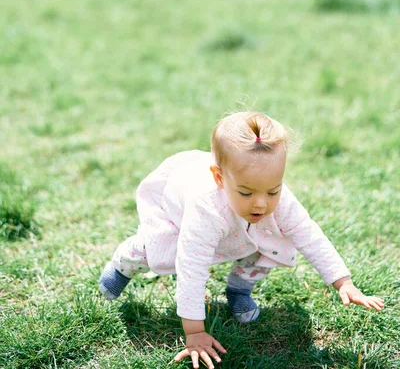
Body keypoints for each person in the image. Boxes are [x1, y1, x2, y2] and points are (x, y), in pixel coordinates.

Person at [99, 111, 384, 369]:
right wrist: (195, 331)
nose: (261, 203)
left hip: (235, 227)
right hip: (179, 218)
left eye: (272, 191)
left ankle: (239, 289)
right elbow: (192, 267)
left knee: (275, 242)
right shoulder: (205, 206)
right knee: (157, 251)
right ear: (220, 178)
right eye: (247, 192)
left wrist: (342, 281)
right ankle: (125, 261)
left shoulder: (277, 200)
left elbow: (308, 234)